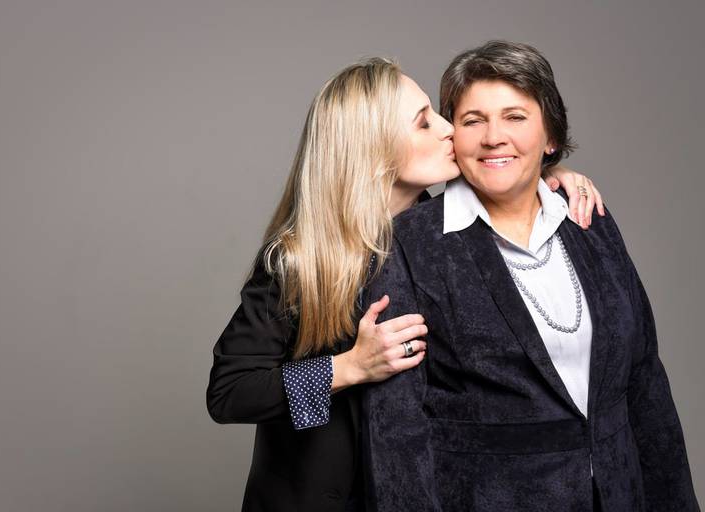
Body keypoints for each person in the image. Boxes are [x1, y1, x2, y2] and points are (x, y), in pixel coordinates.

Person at [207, 57, 604, 512]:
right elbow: (229, 393)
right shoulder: (297, 260)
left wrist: (546, 181)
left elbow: (505, 185)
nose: (448, 128)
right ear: (373, 150)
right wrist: (349, 367)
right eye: (423, 123)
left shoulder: (449, 237)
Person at [361, 41, 699, 512]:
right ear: (452, 136)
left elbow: (645, 381)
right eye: (472, 120)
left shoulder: (591, 220)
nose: (493, 136)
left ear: (551, 137)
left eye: (515, 117)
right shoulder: (408, 244)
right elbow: (398, 427)